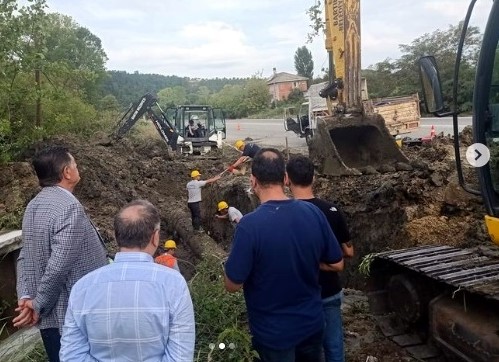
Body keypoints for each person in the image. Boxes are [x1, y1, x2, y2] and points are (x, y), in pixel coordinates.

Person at [224, 148, 344, 362]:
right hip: (312, 325)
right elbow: (336, 261)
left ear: (253, 181)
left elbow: (232, 285)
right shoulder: (314, 213)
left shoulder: (249, 226)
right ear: (285, 178)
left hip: (274, 335)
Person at [60, 199, 195, 361]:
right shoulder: (174, 284)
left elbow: (71, 356)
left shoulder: (82, 288)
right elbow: (180, 357)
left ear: (117, 237)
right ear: (155, 237)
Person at [13, 145, 108, 362]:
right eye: (74, 164)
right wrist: (38, 305)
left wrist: (25, 296)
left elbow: (24, 256)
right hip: (70, 318)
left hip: (49, 321)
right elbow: (59, 265)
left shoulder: (33, 206)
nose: (77, 168)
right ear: (66, 172)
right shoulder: (69, 207)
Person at [286, 155, 354, 362]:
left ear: (286, 179)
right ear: (313, 178)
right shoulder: (331, 211)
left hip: (298, 295)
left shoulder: (283, 215)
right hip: (329, 291)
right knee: (334, 346)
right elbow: (349, 252)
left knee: (305, 349)